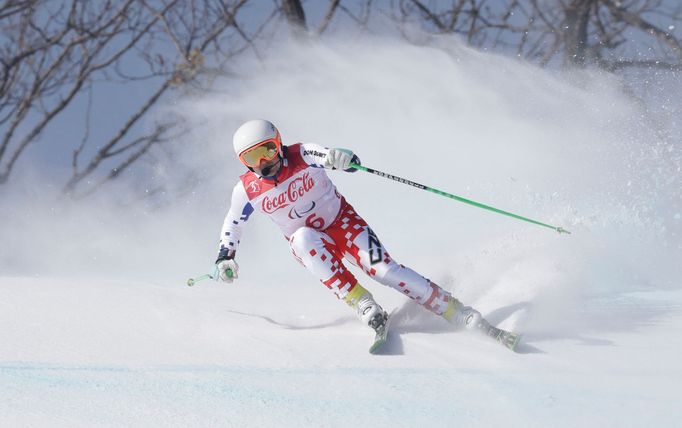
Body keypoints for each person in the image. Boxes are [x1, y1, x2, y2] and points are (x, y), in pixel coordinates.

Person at [215, 119, 487, 333]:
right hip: (311, 244)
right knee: (301, 239)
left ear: (279, 143)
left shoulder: (303, 154)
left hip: (342, 223)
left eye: (268, 150)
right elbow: (234, 222)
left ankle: (452, 309)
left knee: (384, 271)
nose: (264, 162)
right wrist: (225, 257)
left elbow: (332, 156)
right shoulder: (247, 190)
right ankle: (362, 303)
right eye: (252, 158)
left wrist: (344, 160)